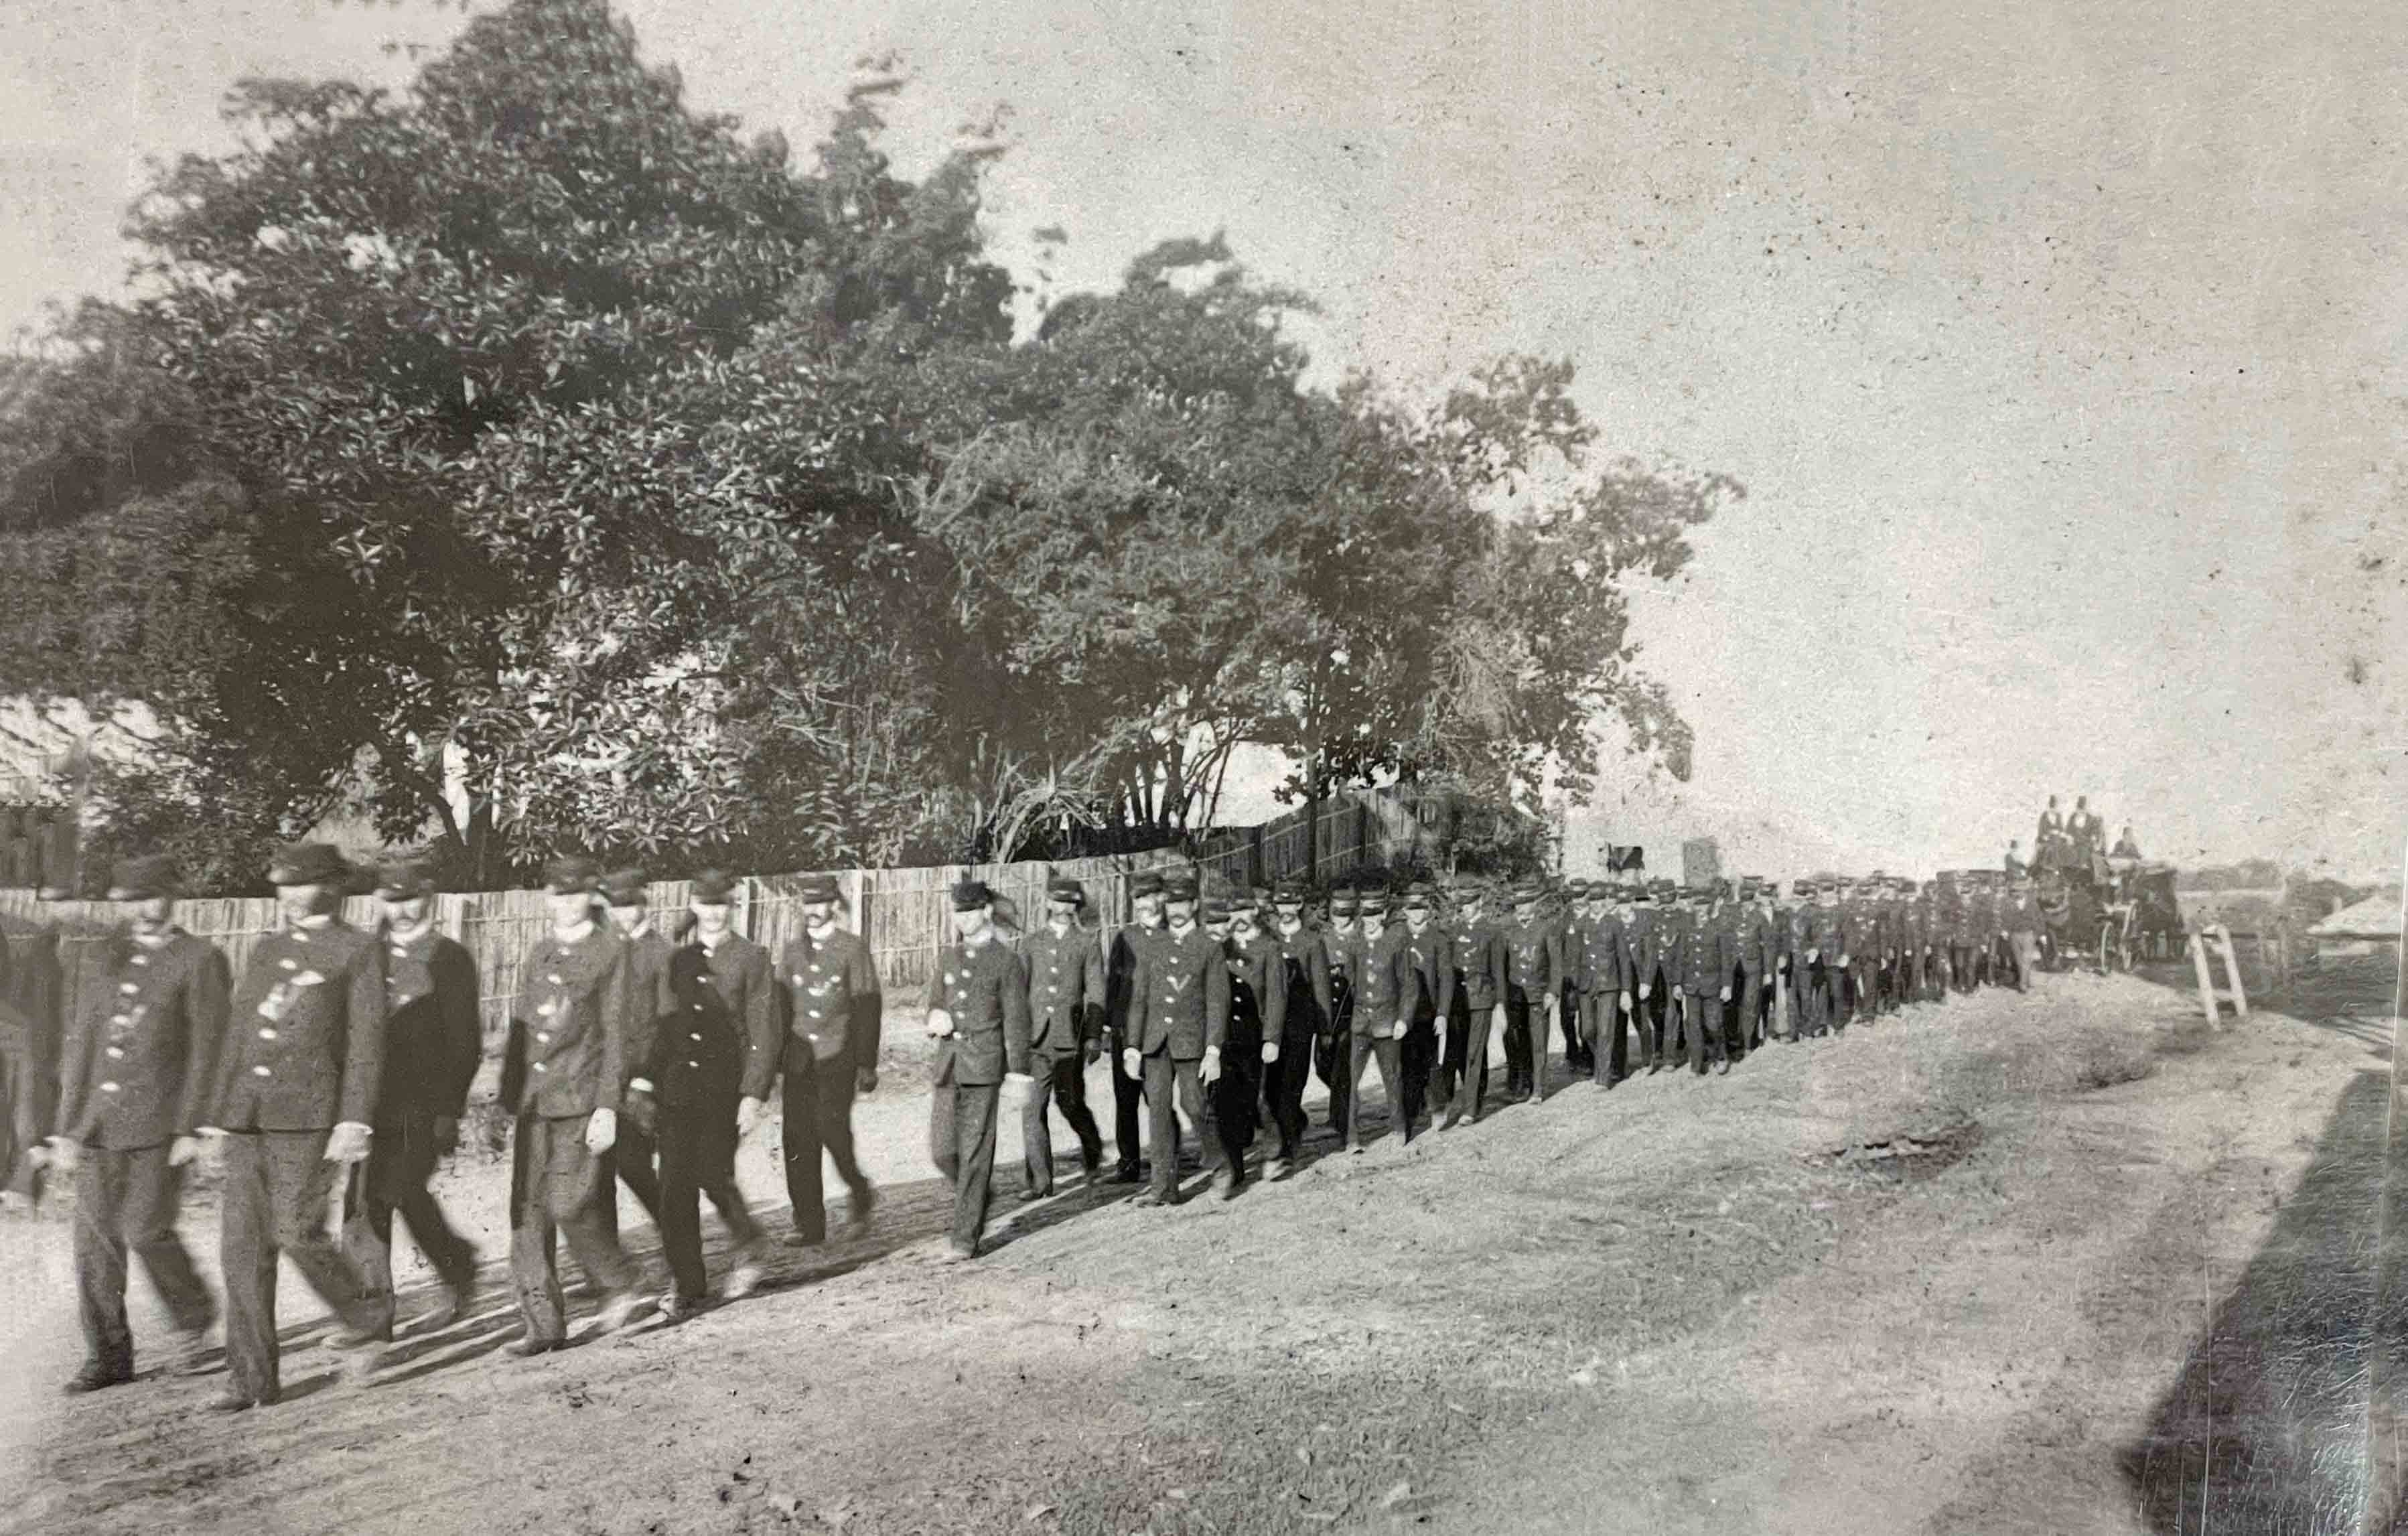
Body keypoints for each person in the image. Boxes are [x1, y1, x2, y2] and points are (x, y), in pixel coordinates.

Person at [196, 841, 388, 1410]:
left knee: (296, 1230)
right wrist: (217, 1117)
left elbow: (366, 1043)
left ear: (331, 886)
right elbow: (239, 1035)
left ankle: (366, 1309)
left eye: (298, 884)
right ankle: (250, 1379)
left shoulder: (357, 950)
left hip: (309, 1116)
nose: (286, 895)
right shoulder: (268, 948)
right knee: (242, 1248)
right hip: (250, 1115)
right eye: (281, 884)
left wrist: (354, 1118)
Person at [49, 853, 225, 1393]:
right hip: (99, 1124)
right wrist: (67, 1127)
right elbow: (83, 1040)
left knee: (146, 1228)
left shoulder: (200, 958)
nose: (145, 910)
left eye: (154, 896)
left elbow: (209, 1048)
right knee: (94, 1244)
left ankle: (194, 1316)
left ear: (174, 894)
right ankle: (108, 1354)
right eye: (132, 900)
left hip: (161, 1124)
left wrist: (194, 1127)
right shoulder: (104, 955)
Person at [496, 854, 652, 1356]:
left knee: (568, 1203)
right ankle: (542, 1325)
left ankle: (625, 1280)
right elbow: (522, 1031)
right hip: (535, 1102)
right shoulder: (541, 951)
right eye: (555, 894)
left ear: (591, 896)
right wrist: (507, 1100)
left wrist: (608, 1107)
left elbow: (616, 1038)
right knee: (527, 1215)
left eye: (573, 894)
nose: (564, 903)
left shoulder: (611, 951)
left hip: (581, 1099)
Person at [345, 857, 482, 1341]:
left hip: (422, 1104)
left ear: (427, 897)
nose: (400, 910)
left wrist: (449, 1109)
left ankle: (458, 1264)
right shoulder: (366, 955)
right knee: (362, 1207)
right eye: (391, 899)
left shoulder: (448, 956)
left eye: (409, 899)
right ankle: (372, 1316)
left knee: (400, 1188)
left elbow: (466, 1042)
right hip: (368, 1103)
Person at [634, 871, 776, 1318]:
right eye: (705, 903)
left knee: (712, 1175)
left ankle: (749, 1243)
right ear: (693, 905)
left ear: (731, 906)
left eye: (721, 904)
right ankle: (688, 1284)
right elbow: (665, 1025)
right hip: (678, 1091)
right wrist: (645, 1079)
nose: (713, 912)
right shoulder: (679, 959)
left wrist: (752, 1093)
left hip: (723, 1090)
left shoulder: (751, 958)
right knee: (674, 1187)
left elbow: (763, 1031)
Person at [769, 873, 881, 1247]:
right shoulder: (791, 951)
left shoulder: (852, 949)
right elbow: (781, 1009)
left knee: (832, 1130)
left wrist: (866, 1063)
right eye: (807, 904)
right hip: (800, 1062)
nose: (812, 911)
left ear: (834, 905)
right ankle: (808, 1224)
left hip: (837, 1058)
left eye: (820, 904)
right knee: (797, 1142)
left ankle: (859, 1190)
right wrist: (773, 1062)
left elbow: (867, 1007)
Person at [923, 880, 1034, 1257]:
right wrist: (935, 1016)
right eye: (958, 912)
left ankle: (964, 1238)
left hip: (984, 1066)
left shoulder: (1007, 961)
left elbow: (1018, 1022)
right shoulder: (948, 958)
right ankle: (979, 1192)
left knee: (974, 1153)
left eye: (970, 911)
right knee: (941, 1151)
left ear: (986, 911)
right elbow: (935, 1002)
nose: (963, 919)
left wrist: (1019, 1073)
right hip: (948, 1066)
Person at [1123, 869, 1226, 1206]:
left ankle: (1220, 1161)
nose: (1177, 909)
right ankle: (1163, 1188)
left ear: (1195, 905)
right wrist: (1132, 1048)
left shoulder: (1209, 948)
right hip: (1155, 1042)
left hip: (1192, 1042)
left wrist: (1213, 1050)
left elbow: (1216, 1001)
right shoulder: (1153, 945)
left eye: (1183, 902)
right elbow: (1139, 999)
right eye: (1172, 903)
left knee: (1194, 1104)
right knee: (1158, 1111)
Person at [1015, 876, 1105, 1200]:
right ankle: (1041, 1181)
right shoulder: (1030, 943)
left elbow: (1096, 992)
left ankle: (1093, 1149)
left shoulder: (1087, 943)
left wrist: (1093, 1036)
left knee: (1070, 1104)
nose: (1065, 909)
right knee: (1032, 1110)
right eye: (1059, 902)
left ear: (1076, 906)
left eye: (1071, 903)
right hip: (1035, 1042)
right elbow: (1017, 992)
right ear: (1049, 904)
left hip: (1070, 1039)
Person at [597, 869, 668, 1247]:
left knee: (634, 1166)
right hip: (603, 1079)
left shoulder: (661, 955)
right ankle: (609, 1261)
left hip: (643, 1082)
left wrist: (646, 1079)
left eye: (630, 906)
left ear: (644, 905)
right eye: (616, 908)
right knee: (597, 1171)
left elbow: (667, 1026)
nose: (623, 915)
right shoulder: (605, 952)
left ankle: (674, 1235)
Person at [1263, 879, 1333, 1174]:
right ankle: (1290, 1127)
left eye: (1291, 904)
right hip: (1271, 1027)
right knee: (1270, 1087)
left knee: (1292, 1085)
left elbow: (1321, 988)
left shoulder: (1311, 941)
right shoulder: (1268, 940)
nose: (1286, 910)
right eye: (1281, 905)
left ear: (1300, 906)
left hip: (1300, 1025)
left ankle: (1289, 1147)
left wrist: (1325, 1029)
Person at [1103, 871, 1167, 1184]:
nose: (1142, 905)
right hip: (1126, 1031)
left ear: (1163, 899)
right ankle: (1128, 1163)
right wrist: (1110, 1028)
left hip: (1159, 1033)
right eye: (1138, 900)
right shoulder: (1124, 937)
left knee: (1158, 1099)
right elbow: (1113, 987)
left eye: (1148, 898)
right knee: (1125, 1099)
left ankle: (1167, 1159)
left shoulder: (1173, 935)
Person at [1395, 884, 1456, 1133]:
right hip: (1401, 1013)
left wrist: (1442, 1014)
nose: (1417, 913)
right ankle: (1408, 1113)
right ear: (1405, 911)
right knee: (1405, 1063)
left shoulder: (1438, 939)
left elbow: (1447, 979)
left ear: (1428, 910)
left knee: (1430, 1061)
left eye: (1421, 908)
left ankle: (1438, 1106)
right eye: (1412, 908)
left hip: (1427, 1011)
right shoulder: (1396, 937)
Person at [1500, 885, 1561, 1099]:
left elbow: (1556, 963)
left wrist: (1553, 991)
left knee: (1539, 1044)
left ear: (1534, 905)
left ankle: (1538, 1089)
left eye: (1526, 904)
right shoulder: (1508, 930)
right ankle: (1523, 1085)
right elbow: (1503, 964)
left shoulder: (1546, 928)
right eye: (1518, 905)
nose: (1522, 909)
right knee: (1520, 1043)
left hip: (1538, 994)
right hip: (1516, 998)